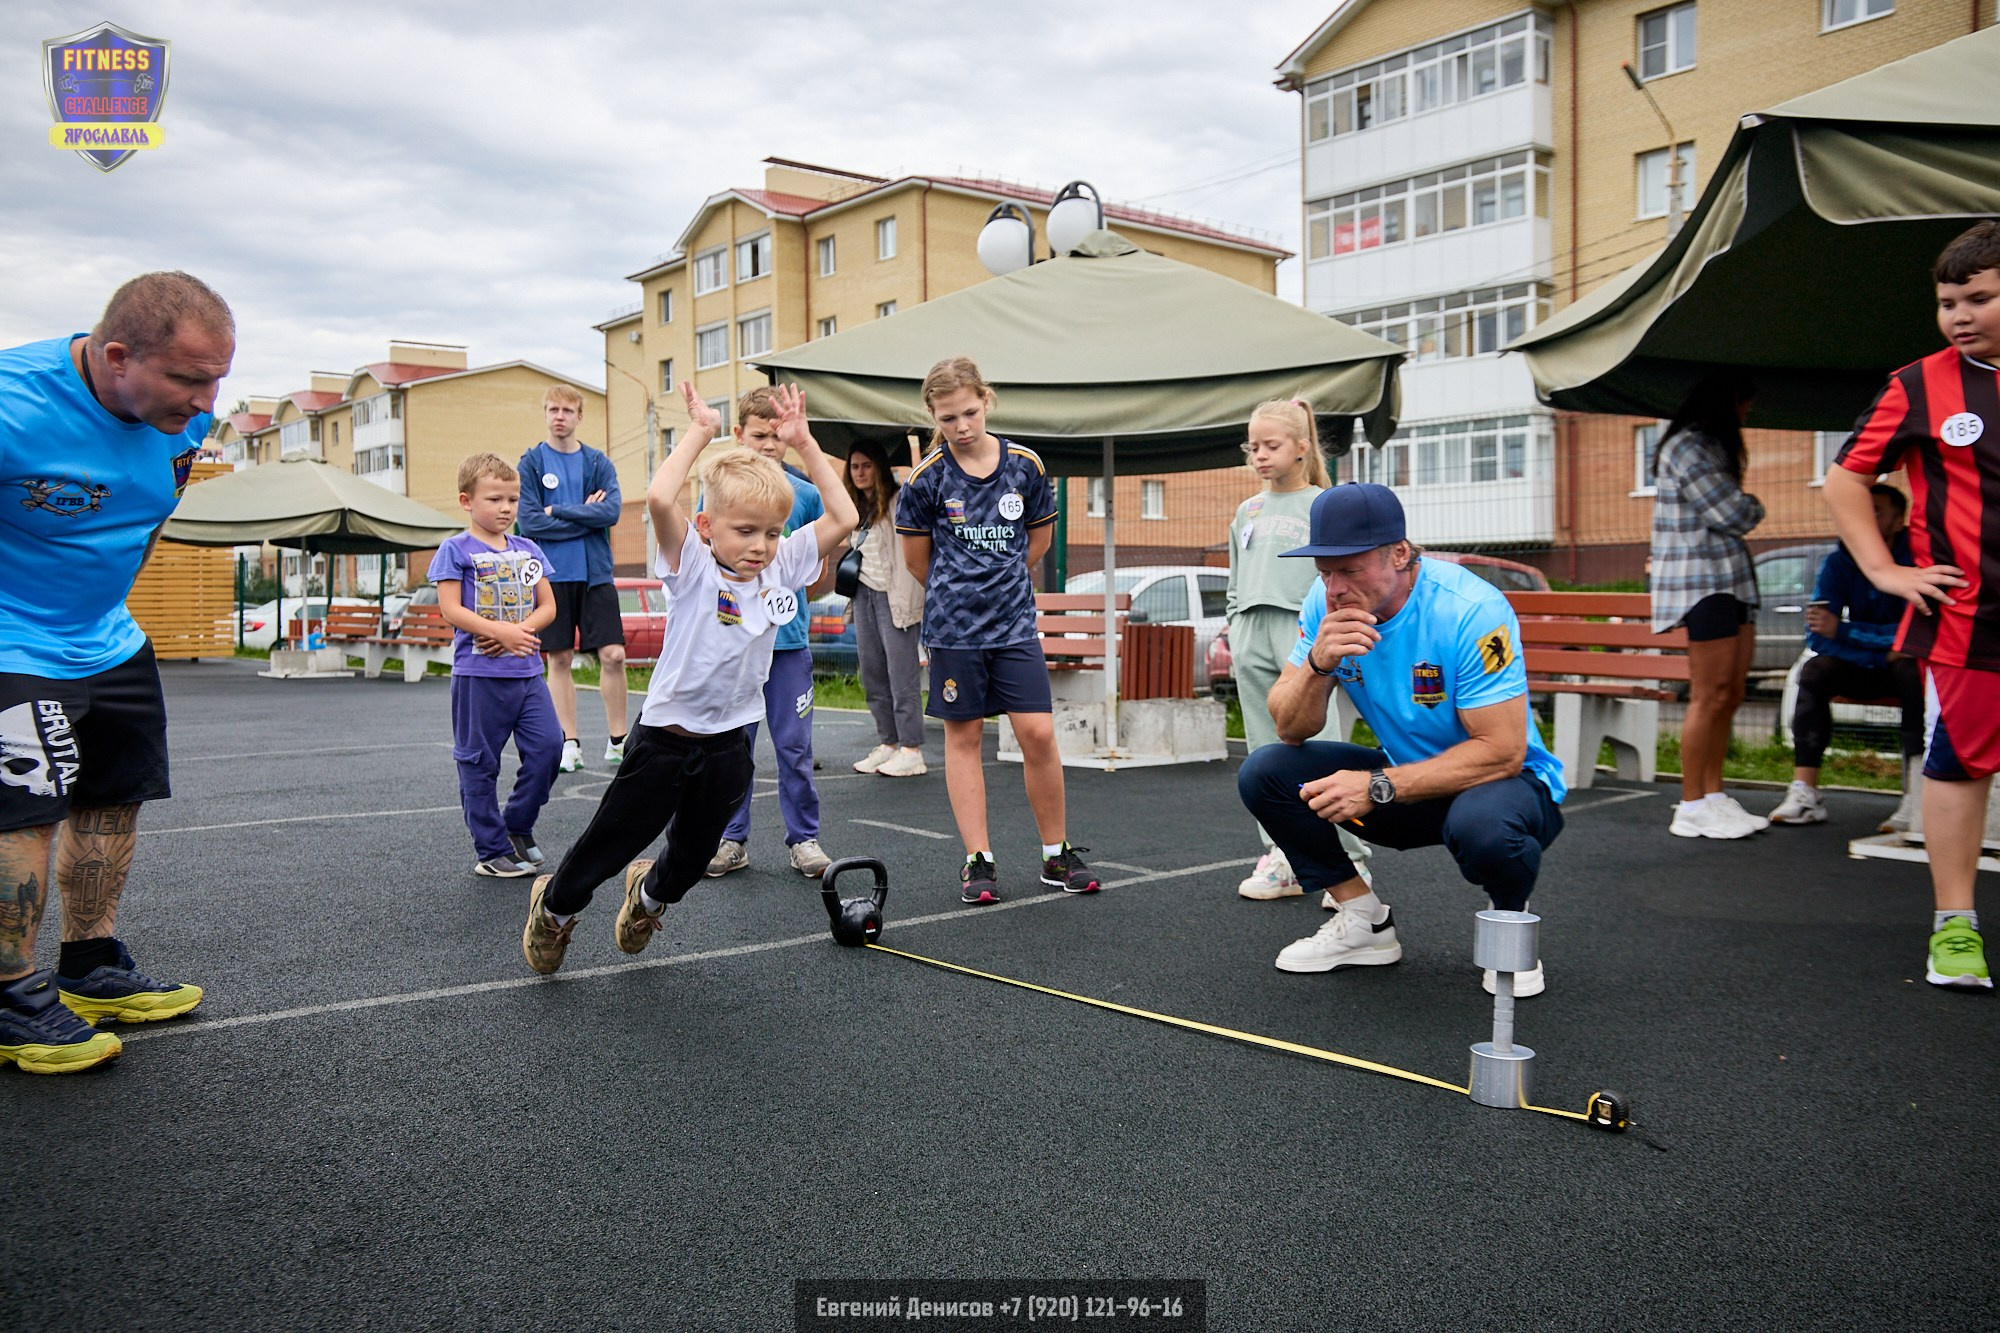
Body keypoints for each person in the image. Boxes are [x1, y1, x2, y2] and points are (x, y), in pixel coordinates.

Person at [521, 382, 857, 975]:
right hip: (667, 739)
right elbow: (657, 497)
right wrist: (701, 430)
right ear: (707, 526)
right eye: (745, 531)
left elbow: (845, 515)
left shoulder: (783, 563)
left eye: (772, 533)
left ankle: (646, 900)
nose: (760, 546)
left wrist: (804, 443)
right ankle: (554, 908)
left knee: (696, 854)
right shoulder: (693, 565)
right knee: (612, 843)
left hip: (730, 739)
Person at [0, 272, 227, 1073]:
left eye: (218, 380)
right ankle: (9, 997)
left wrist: (101, 615)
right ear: (118, 355)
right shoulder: (11, 405)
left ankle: (89, 966)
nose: (206, 401)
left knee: (112, 797)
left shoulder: (185, 425)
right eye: (190, 378)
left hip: (109, 638)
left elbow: (144, 522)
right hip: (11, 642)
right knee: (23, 814)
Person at [1236, 483, 1565, 994]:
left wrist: (1376, 786)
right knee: (1267, 772)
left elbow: (1502, 751)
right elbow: (1289, 726)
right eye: (1324, 571)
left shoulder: (1470, 609)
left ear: (1400, 554)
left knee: (1485, 828)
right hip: (1410, 785)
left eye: (1350, 569)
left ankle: (1510, 929)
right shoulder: (1322, 607)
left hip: (1508, 786)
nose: (1335, 586)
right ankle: (1364, 921)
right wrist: (1320, 664)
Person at [1825, 220, 2000, 991]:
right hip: (1969, 618)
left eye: (1980, 298)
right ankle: (1954, 926)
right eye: (1947, 302)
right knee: (1958, 768)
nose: (1960, 315)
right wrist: (1883, 568)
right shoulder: (1922, 384)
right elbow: (1845, 478)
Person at [895, 355, 1098, 904]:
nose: (960, 427)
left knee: (1037, 733)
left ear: (986, 400)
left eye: (968, 412)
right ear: (933, 417)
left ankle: (1055, 854)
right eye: (947, 418)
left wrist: (998, 580)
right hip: (954, 632)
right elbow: (920, 562)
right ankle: (977, 861)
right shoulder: (925, 481)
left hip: (1013, 628)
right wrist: (962, 590)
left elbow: (1037, 543)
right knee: (962, 740)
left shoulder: (1026, 466)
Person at [1226, 398, 1374, 904]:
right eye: (1254, 447)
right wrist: (1235, 625)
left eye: (1272, 445)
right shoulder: (1247, 510)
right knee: (1263, 750)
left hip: (1301, 633)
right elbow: (1234, 578)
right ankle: (1283, 854)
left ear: (1301, 447)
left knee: (1317, 747)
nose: (1260, 456)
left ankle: (1351, 859)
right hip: (1251, 631)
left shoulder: (1322, 504)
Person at [703, 386, 836, 880]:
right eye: (759, 435)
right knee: (733, 749)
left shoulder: (803, 495)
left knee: (794, 748)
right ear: (739, 435)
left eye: (778, 436)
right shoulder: (715, 494)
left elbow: (818, 572)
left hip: (787, 647)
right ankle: (731, 839)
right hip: (735, 646)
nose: (768, 445)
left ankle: (803, 839)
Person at [428, 453, 563, 878]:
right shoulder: (455, 549)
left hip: (527, 675)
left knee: (549, 748)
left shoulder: (528, 549)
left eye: (512, 499)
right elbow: (450, 609)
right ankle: (491, 850)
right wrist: (497, 630)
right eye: (494, 499)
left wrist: (516, 630)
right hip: (479, 675)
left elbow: (549, 605)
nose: (506, 509)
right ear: (467, 501)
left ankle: (517, 825)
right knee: (478, 762)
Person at [1650, 372, 1769, 840]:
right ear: (1727, 402)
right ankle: (1692, 803)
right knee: (1709, 695)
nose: (1747, 413)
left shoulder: (1709, 446)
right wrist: (1753, 505)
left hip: (1731, 581)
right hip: (1703, 584)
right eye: (1744, 404)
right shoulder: (1689, 446)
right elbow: (1732, 513)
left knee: (1731, 693)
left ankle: (1714, 796)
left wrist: (1745, 504)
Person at [1766, 485, 1924, 830]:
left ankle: (1917, 797)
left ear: (1899, 521)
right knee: (1813, 670)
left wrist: (1846, 631)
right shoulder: (1838, 561)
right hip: (1875, 663)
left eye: (1878, 511)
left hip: (1911, 670)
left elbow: (1916, 636)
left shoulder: (1918, 558)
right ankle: (1805, 793)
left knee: (1913, 670)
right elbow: (1819, 635)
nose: (1866, 516)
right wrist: (1873, 645)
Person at [516, 386, 626, 773]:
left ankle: (618, 741)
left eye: (567, 410)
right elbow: (530, 523)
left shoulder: (597, 463)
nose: (559, 416)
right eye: (552, 409)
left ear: (580, 416)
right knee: (558, 658)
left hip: (595, 574)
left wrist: (560, 511)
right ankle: (570, 743)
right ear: (545, 414)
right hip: (550, 577)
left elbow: (611, 512)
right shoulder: (530, 463)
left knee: (613, 655)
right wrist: (584, 516)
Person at [843, 437, 927, 778]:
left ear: (879, 467)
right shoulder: (854, 507)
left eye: (866, 465)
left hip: (896, 597)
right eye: (854, 467)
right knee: (873, 673)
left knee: (901, 674)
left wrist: (912, 450)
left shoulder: (897, 499)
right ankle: (889, 744)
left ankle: (912, 749)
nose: (860, 473)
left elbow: (919, 487)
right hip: (864, 594)